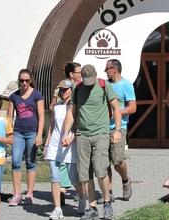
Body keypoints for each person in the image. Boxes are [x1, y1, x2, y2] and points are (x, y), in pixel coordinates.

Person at [62, 64, 122, 220]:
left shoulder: (104, 85)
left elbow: (116, 108)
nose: (88, 82)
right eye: (85, 79)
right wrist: (66, 133)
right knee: (85, 173)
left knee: (101, 170)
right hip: (82, 135)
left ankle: (107, 203)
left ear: (95, 76)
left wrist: (116, 130)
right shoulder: (78, 88)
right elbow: (72, 112)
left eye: (90, 80)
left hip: (101, 134)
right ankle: (92, 207)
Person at [44, 79, 87, 219]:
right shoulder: (56, 106)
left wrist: (71, 137)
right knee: (54, 177)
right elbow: (52, 125)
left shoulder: (76, 106)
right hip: (55, 144)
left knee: (73, 177)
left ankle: (82, 197)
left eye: (65, 89)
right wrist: (47, 142)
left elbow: (77, 126)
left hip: (69, 144)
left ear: (72, 90)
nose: (63, 92)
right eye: (61, 90)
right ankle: (57, 208)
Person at [7, 68, 45, 205]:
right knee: (16, 162)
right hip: (18, 132)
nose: (24, 83)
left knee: (30, 162)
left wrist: (40, 134)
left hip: (32, 132)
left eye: (27, 80)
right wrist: (9, 134)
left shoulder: (37, 95)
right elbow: (9, 117)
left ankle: (29, 193)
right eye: (22, 80)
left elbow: (41, 116)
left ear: (30, 81)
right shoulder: (14, 96)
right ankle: (16, 194)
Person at [102, 59, 136, 201]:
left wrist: (116, 112)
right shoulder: (104, 85)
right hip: (103, 128)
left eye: (107, 69)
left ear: (114, 69)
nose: (105, 71)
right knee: (104, 162)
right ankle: (108, 192)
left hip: (119, 127)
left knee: (117, 160)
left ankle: (126, 180)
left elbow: (132, 108)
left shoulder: (126, 85)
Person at [49, 62, 82, 197]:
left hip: (74, 135)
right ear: (71, 74)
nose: (80, 75)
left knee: (74, 168)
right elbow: (53, 104)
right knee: (60, 163)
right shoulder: (62, 86)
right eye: (78, 72)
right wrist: (57, 108)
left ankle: (80, 193)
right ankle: (62, 189)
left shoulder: (80, 88)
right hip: (60, 133)